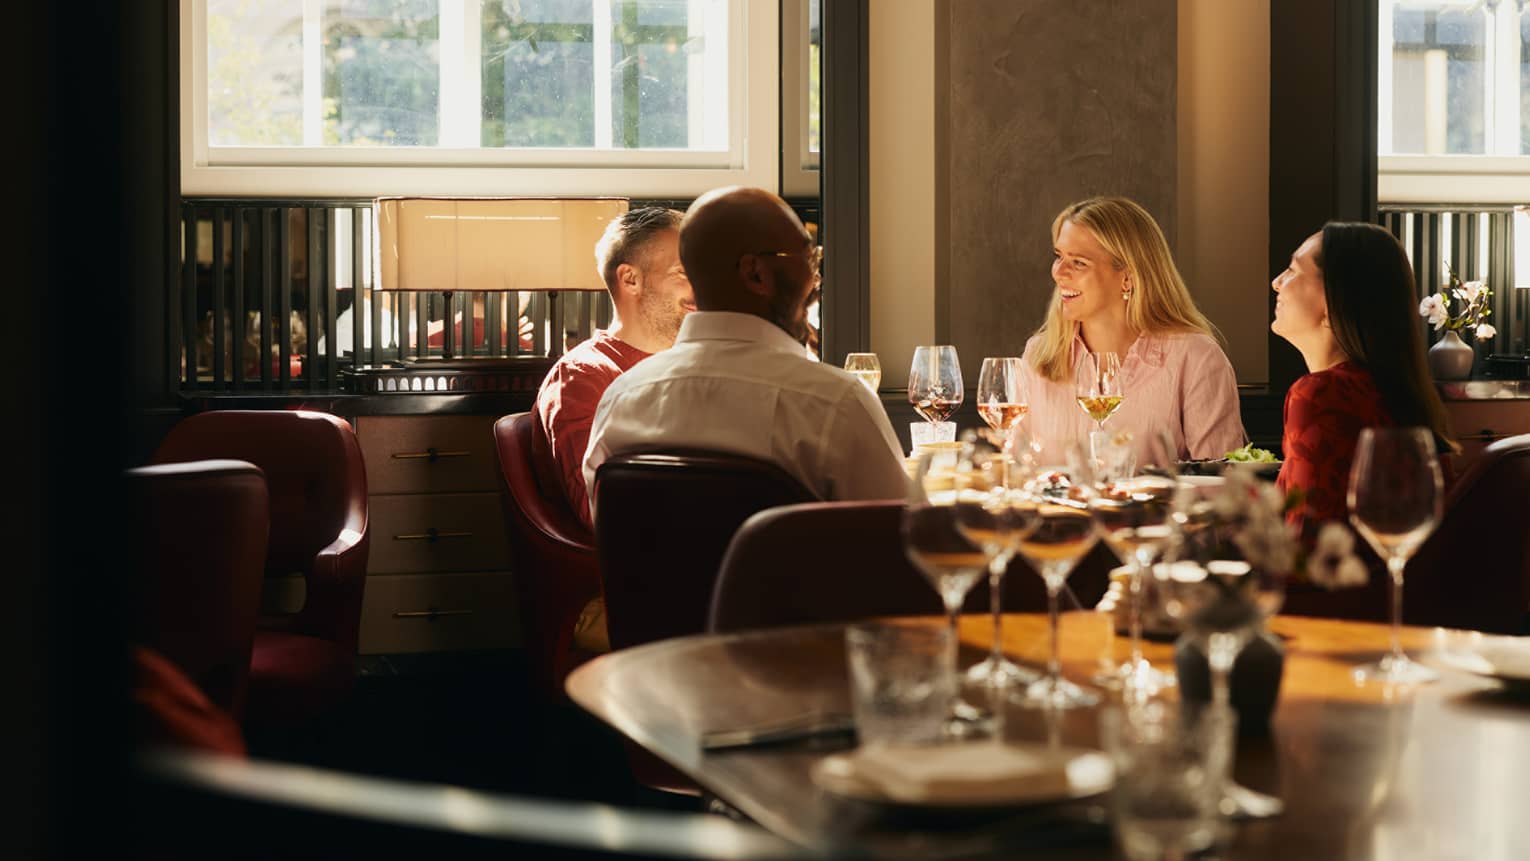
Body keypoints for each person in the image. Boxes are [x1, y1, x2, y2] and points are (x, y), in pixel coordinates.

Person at [582, 186, 907, 522]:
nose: (816, 278)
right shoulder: (834, 404)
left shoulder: (620, 402)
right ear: (755, 273)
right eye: (810, 259)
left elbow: (609, 535)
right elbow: (904, 544)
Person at [1020, 196, 1245, 464]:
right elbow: (1017, 468)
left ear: (1127, 277)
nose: (1059, 272)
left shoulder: (1196, 357)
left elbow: (1221, 483)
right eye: (1059, 256)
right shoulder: (1039, 355)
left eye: (1079, 262)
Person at [1270, 222, 1456, 530]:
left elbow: (1307, 553)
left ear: (1333, 300)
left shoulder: (1320, 394)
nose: (1277, 282)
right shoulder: (1390, 393)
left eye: (1293, 270)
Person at [532, 207, 693, 529]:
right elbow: (601, 511)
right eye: (683, 273)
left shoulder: (698, 368)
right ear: (630, 279)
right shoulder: (583, 377)